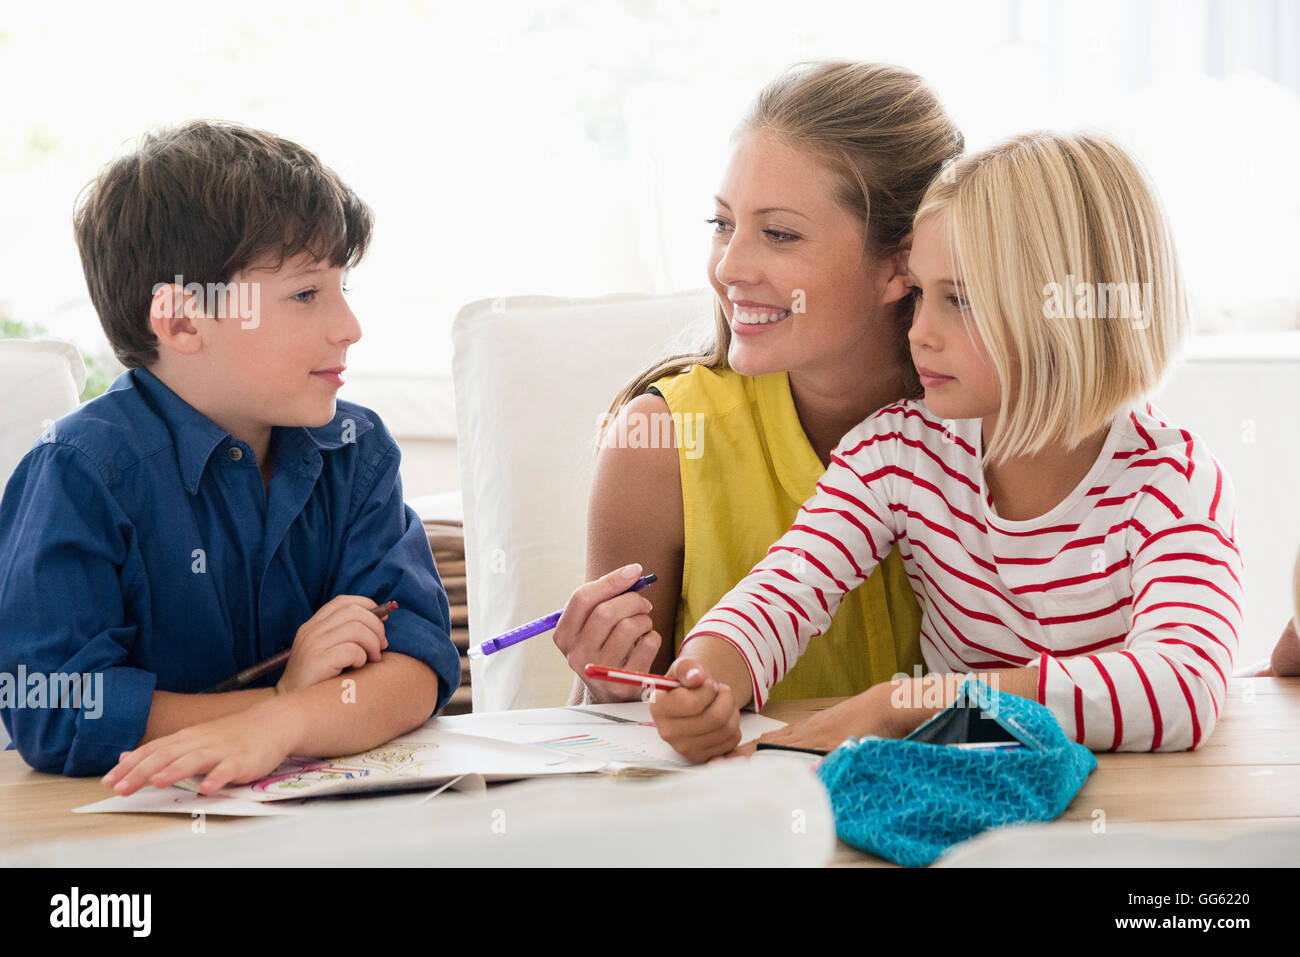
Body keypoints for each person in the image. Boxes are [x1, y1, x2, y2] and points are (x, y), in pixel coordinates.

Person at [650, 130, 1242, 760]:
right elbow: (782, 594)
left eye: (959, 300)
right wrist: (706, 675)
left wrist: (916, 705)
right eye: (920, 296)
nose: (920, 333)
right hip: (957, 811)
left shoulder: (1171, 480)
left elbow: (1181, 689)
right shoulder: (895, 455)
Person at [0, 122, 461, 792]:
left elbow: (418, 666)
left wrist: (284, 723)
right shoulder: (79, 471)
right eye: (306, 294)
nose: (349, 327)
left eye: (342, 288)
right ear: (183, 321)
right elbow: (57, 707)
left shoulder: (356, 452)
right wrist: (276, 704)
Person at [554, 61, 964, 706]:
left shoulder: (998, 428)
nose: (729, 267)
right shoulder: (658, 440)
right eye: (722, 225)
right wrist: (606, 684)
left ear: (900, 265)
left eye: (778, 233)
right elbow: (620, 735)